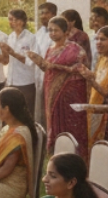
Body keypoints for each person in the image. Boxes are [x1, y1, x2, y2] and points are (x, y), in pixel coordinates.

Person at [29, 16, 89, 159]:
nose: (52, 33)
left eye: (56, 30)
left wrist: (54, 66)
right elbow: (47, 69)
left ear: (65, 32)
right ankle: (57, 157)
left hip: (70, 93)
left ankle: (76, 158)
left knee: (72, 124)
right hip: (52, 91)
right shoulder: (50, 49)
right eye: (50, 30)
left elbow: (79, 69)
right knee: (54, 122)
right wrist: (38, 61)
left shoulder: (74, 49)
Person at [81, 25, 108, 148]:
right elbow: (98, 78)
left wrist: (90, 79)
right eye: (97, 39)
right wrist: (88, 74)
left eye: (103, 39)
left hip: (107, 111)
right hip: (95, 106)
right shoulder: (101, 58)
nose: (98, 42)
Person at [1, 9, 38, 114]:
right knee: (12, 114)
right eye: (9, 19)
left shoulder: (31, 38)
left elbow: (31, 61)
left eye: (12, 19)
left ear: (21, 21)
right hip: (11, 82)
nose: (9, 22)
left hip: (25, 83)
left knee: (26, 113)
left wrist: (12, 53)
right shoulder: (10, 37)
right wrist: (4, 51)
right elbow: (7, 60)